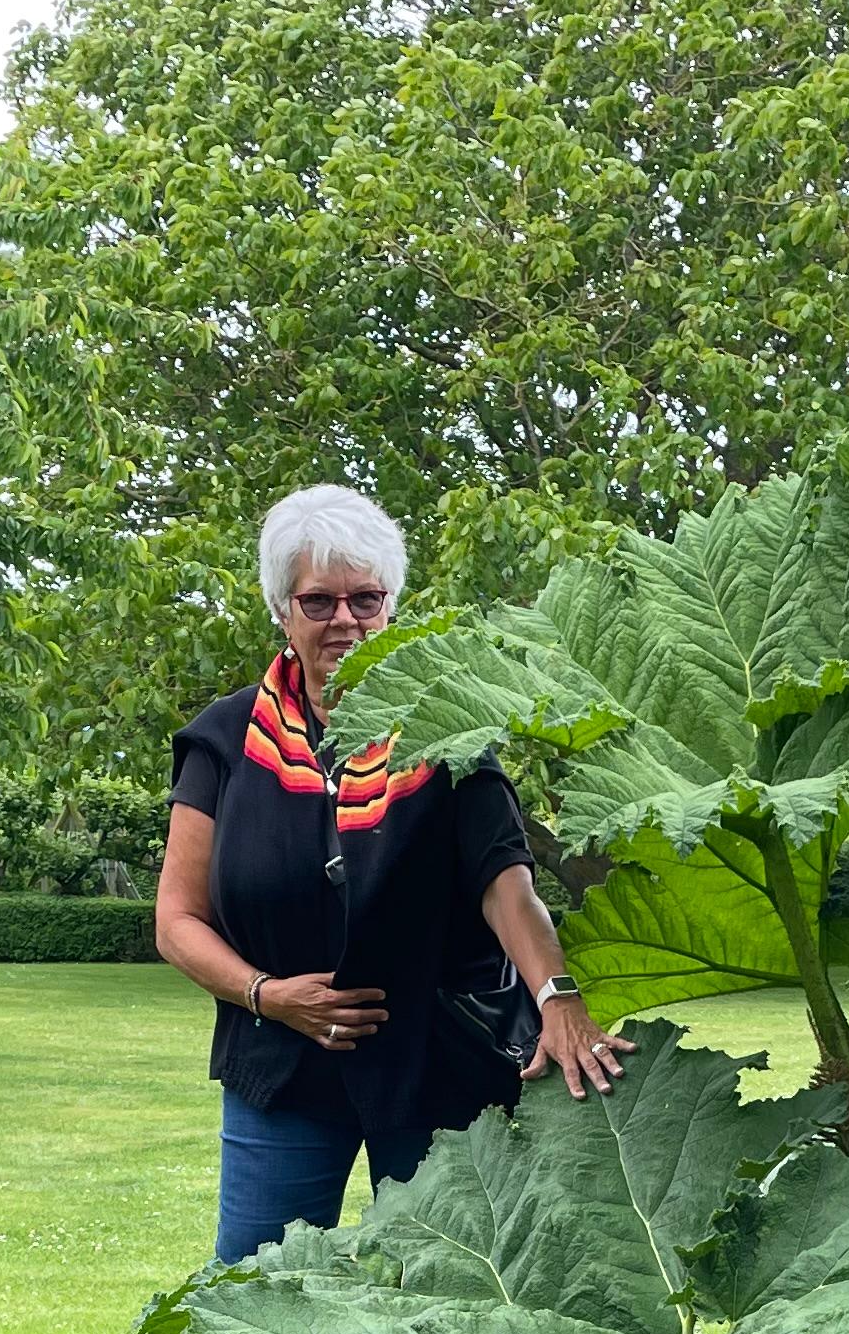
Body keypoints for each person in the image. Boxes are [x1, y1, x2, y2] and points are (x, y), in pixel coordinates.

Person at [157, 483, 628, 1262]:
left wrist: (557, 996)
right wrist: (270, 998)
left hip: (439, 1064)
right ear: (283, 609)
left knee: (449, 1290)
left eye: (366, 599)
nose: (346, 620)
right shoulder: (225, 738)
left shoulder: (450, 730)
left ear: (391, 605)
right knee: (250, 1293)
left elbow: (504, 882)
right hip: (279, 1064)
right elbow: (177, 919)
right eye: (319, 602)